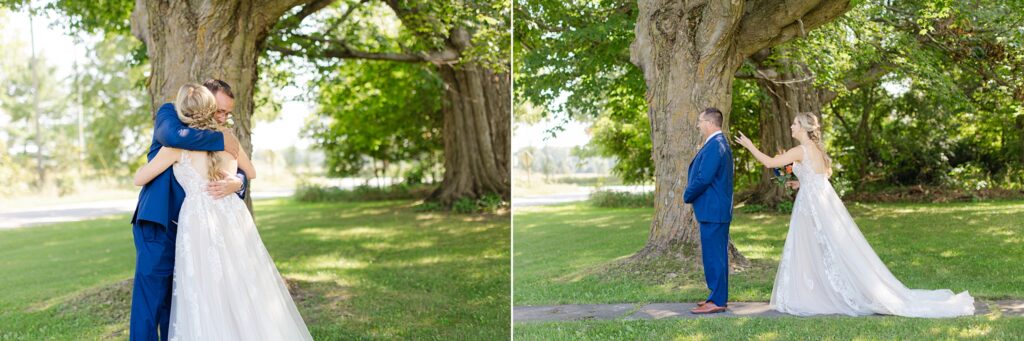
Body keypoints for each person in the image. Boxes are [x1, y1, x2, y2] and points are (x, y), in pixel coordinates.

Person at [734, 112, 974, 317]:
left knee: (813, 247)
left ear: (804, 129)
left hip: (812, 205)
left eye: (794, 124)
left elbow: (769, 163)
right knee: (828, 247)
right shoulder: (815, 149)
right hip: (821, 200)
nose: (791, 126)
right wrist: (800, 184)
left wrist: (749, 145)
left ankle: (817, 294)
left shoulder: (800, 149)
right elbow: (821, 175)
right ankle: (823, 289)